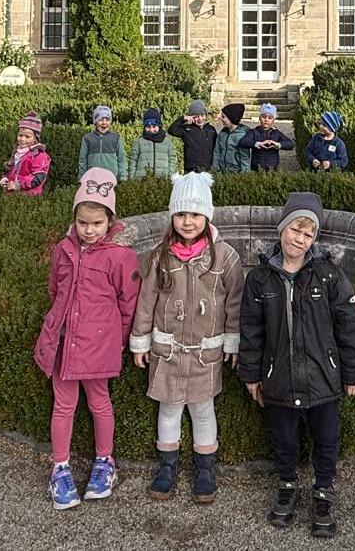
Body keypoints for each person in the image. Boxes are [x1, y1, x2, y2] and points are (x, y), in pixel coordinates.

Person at [238, 192, 355, 538]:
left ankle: (323, 490)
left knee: (326, 438)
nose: (300, 239)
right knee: (284, 439)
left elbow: (349, 325)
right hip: (278, 378)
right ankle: (288, 484)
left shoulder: (328, 275)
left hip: (322, 379)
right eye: (296, 229)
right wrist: (251, 375)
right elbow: (251, 332)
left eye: (308, 234)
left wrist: (354, 372)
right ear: (283, 229)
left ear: (315, 239)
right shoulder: (260, 279)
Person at [129, 173, 244, 503]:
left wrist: (232, 341)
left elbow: (234, 302)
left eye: (195, 214)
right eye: (181, 214)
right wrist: (141, 340)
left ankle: (205, 469)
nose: (188, 221)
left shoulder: (225, 257)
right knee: (169, 411)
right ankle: (167, 467)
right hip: (168, 351)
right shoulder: (159, 256)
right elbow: (146, 301)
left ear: (206, 216)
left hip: (205, 354)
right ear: (172, 216)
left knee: (203, 411)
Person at [33, 168, 141, 509]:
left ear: (110, 219)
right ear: (75, 219)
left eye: (97, 223)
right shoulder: (64, 249)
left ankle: (104, 461)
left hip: (98, 344)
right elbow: (55, 288)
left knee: (99, 402)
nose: (89, 230)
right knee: (63, 405)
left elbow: (129, 303)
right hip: (64, 343)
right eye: (83, 222)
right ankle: (60, 467)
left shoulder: (121, 256)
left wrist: (117, 340)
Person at [0, 112, 51, 197]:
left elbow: (37, 178)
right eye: (20, 135)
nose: (22, 139)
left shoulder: (39, 156)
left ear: (35, 138)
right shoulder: (17, 151)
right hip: (10, 195)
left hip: (28, 197)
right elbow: (10, 168)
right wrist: (5, 178)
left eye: (27, 137)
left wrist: (17, 184)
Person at [238, 103, 294, 171]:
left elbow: (290, 144)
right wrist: (257, 144)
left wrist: (278, 144)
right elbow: (243, 142)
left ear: (273, 120)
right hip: (256, 168)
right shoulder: (253, 132)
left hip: (273, 168)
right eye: (264, 116)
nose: (266, 119)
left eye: (270, 118)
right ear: (259, 118)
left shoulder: (276, 133)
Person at [167, 100, 217, 173]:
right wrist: (183, 118)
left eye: (202, 115)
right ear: (191, 117)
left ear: (206, 115)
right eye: (196, 116)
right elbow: (171, 130)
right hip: (191, 169)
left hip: (208, 168)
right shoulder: (187, 129)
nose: (200, 119)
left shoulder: (211, 130)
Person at [78, 105, 126, 181]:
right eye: (101, 119)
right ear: (95, 121)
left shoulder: (116, 138)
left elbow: (121, 159)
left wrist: (123, 177)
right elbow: (83, 160)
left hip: (111, 177)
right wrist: (81, 178)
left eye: (107, 119)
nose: (104, 122)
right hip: (93, 177)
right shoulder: (87, 138)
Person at [128, 107, 176, 180]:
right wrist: (132, 179)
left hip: (162, 180)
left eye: (154, 126)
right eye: (148, 127)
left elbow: (172, 160)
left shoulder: (167, 142)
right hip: (141, 181)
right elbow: (133, 161)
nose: (151, 129)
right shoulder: (138, 142)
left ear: (159, 126)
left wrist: (170, 177)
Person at [211, 104, 253, 173]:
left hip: (235, 173)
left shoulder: (242, 135)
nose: (221, 119)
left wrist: (244, 176)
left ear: (232, 118)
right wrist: (216, 170)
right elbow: (217, 152)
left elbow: (245, 158)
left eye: (223, 117)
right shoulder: (222, 133)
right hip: (222, 172)